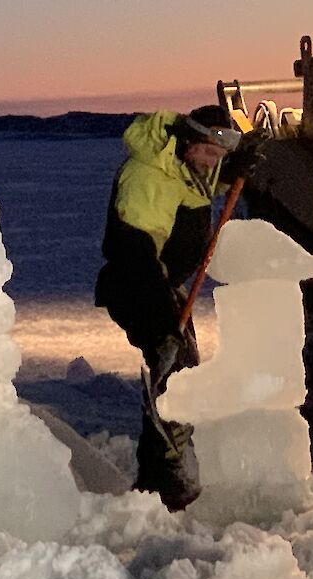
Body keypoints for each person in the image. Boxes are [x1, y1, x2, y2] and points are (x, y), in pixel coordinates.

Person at [93, 105, 255, 510]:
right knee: (174, 376)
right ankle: (166, 482)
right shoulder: (149, 175)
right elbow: (134, 250)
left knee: (182, 370)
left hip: (163, 285)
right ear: (186, 142)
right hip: (138, 284)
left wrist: (236, 164)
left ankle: (156, 477)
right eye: (207, 154)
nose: (210, 164)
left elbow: (196, 184)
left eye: (217, 157)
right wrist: (162, 314)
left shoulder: (184, 165)